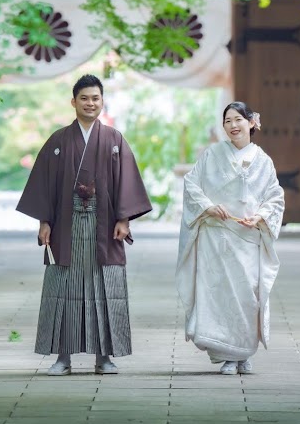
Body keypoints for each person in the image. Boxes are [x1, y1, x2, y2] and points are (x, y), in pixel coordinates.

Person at [16, 74, 152, 376]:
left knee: (104, 287)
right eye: (84, 98)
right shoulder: (59, 141)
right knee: (64, 286)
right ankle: (62, 357)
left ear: (102, 102)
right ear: (74, 102)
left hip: (104, 226)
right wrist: (44, 222)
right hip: (67, 223)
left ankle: (104, 357)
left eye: (95, 98)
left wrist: (124, 218)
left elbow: (126, 182)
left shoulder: (114, 140)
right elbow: (45, 184)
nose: (90, 103)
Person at [175, 101, 285, 375]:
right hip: (216, 237)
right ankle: (227, 355)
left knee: (247, 294)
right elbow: (191, 184)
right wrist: (208, 206)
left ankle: (244, 353)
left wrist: (260, 216)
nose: (233, 125)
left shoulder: (263, 160)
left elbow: (275, 196)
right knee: (219, 294)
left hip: (246, 236)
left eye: (238, 119)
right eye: (227, 121)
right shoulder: (212, 154)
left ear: (251, 123)